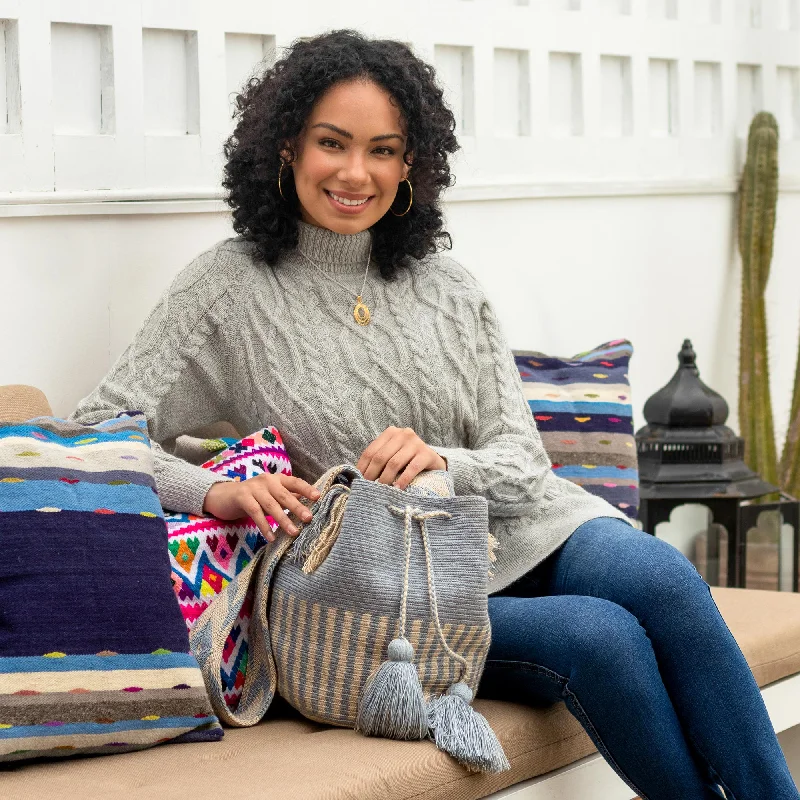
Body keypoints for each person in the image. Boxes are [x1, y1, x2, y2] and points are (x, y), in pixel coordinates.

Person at [71, 30, 798, 800]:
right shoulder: (227, 289)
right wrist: (211, 491)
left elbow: (523, 462)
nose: (357, 173)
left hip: (527, 525)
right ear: (287, 147)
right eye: (332, 143)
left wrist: (445, 461)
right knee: (602, 638)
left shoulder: (448, 287)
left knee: (666, 581)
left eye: (383, 150)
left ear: (410, 163)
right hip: (392, 584)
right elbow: (93, 433)